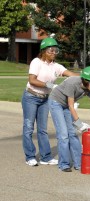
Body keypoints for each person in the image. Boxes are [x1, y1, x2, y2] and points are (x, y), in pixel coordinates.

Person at [22, 37, 79, 167]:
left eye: (55, 50)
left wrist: (85, 77)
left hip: (45, 99)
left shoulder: (56, 66)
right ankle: (30, 156)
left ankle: (45, 157)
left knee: (42, 129)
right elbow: (32, 80)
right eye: (51, 50)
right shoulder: (36, 62)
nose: (54, 53)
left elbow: (69, 73)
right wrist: (50, 85)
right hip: (31, 97)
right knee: (28, 128)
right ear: (43, 51)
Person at [48, 66, 90, 172]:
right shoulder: (72, 83)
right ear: (86, 80)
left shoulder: (89, 88)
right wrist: (79, 124)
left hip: (67, 105)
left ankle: (78, 163)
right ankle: (64, 164)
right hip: (56, 102)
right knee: (64, 135)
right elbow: (70, 105)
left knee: (72, 133)